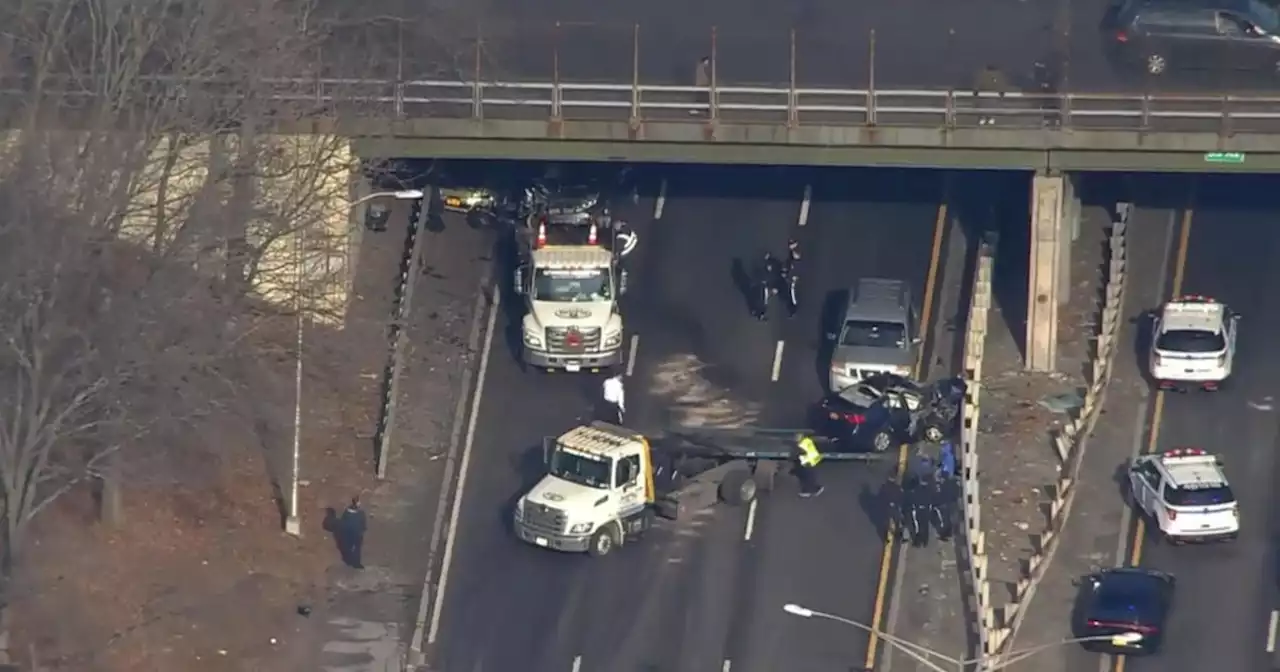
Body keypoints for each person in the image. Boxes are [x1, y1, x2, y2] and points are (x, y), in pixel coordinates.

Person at [338, 496, 368, 569]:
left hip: (348, 533)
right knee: (357, 548)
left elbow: (343, 522)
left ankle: (348, 560)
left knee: (349, 546)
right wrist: (363, 529)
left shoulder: (346, 512)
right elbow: (363, 524)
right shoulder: (360, 513)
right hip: (357, 533)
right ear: (357, 503)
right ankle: (356, 563)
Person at [793, 433, 825, 497]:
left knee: (806, 476)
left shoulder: (802, 444)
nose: (795, 439)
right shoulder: (807, 441)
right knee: (809, 476)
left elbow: (800, 453)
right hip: (811, 460)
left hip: (807, 461)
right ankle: (815, 489)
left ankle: (808, 490)